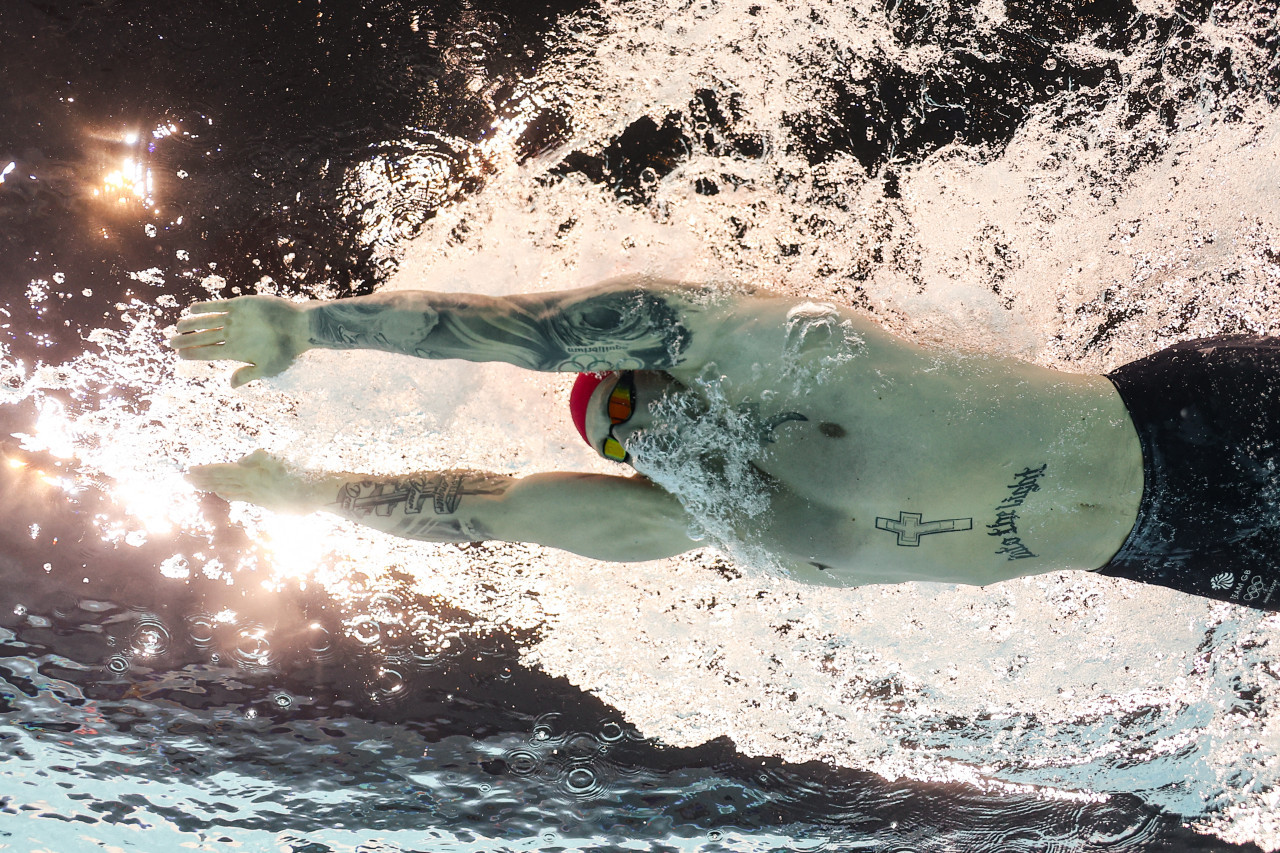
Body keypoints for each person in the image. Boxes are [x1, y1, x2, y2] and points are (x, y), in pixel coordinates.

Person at [169, 276, 1280, 610]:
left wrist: (312, 328)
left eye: (616, 401)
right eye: (612, 442)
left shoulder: (770, 348)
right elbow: (488, 510)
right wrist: (315, 496)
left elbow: (529, 331)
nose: (632, 439)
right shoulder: (697, 521)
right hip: (1167, 553)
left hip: (1188, 415)